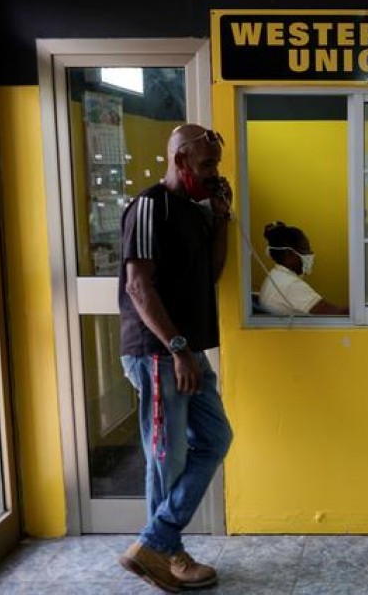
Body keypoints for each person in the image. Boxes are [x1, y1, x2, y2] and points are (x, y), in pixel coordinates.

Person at [117, 124, 234, 592]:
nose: (212, 174)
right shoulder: (150, 206)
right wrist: (177, 348)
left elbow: (213, 274)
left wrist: (221, 216)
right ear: (180, 159)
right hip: (159, 353)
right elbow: (137, 286)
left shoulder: (194, 211)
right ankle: (166, 554)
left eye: (216, 167)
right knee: (166, 457)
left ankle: (156, 541)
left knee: (215, 437)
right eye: (206, 165)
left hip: (187, 352)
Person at [258, 221, 349, 315]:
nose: (310, 255)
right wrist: (362, 305)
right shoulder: (290, 285)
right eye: (305, 250)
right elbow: (335, 315)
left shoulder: (276, 276)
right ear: (289, 254)